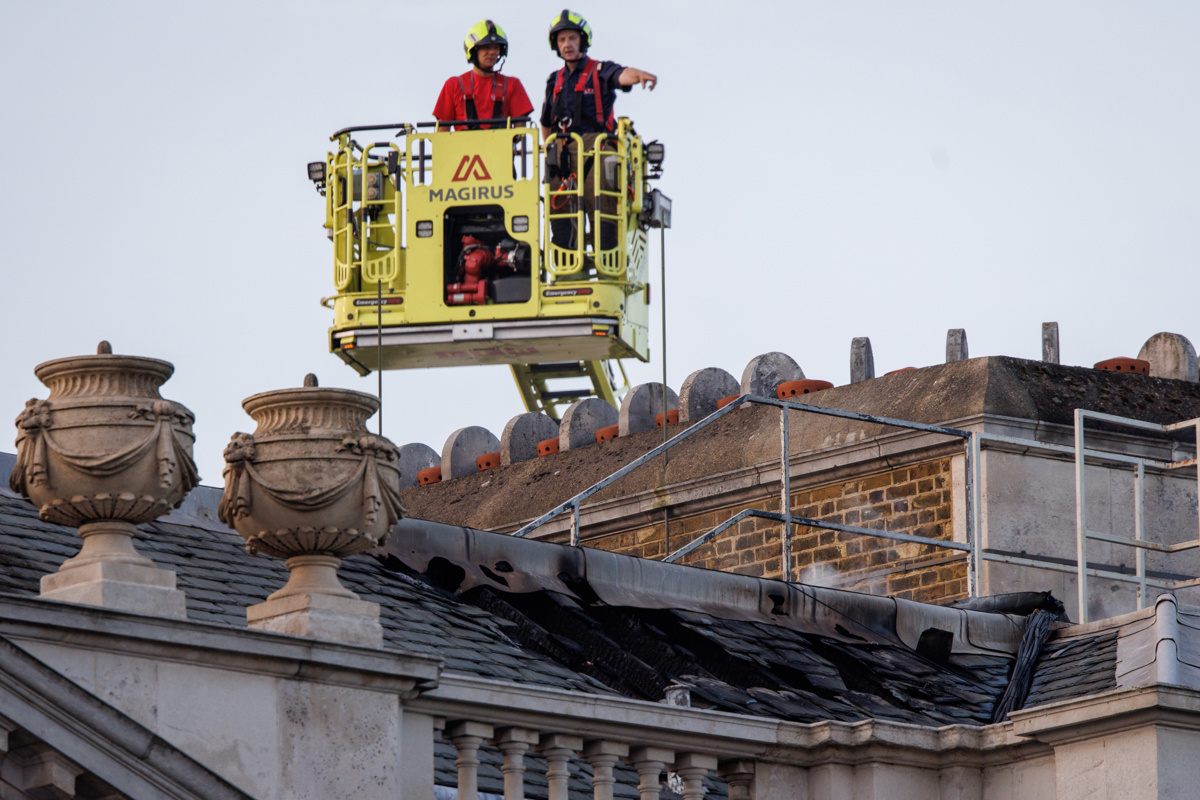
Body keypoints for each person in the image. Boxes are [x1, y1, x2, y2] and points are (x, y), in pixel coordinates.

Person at [540, 10, 657, 254]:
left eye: (572, 38)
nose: (567, 44)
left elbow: (622, 75)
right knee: (559, 204)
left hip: (598, 145)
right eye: (561, 40)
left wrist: (638, 76)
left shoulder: (600, 70)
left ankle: (605, 259)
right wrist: (550, 151)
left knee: (601, 201)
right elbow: (546, 121)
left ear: (582, 40)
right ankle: (567, 265)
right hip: (562, 149)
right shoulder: (555, 80)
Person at [433, 19, 534, 132]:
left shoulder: (512, 85)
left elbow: (520, 132)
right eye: (486, 47)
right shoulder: (453, 85)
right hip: (462, 149)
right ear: (474, 51)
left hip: (501, 149)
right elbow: (441, 133)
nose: (492, 52)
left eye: (496, 48)